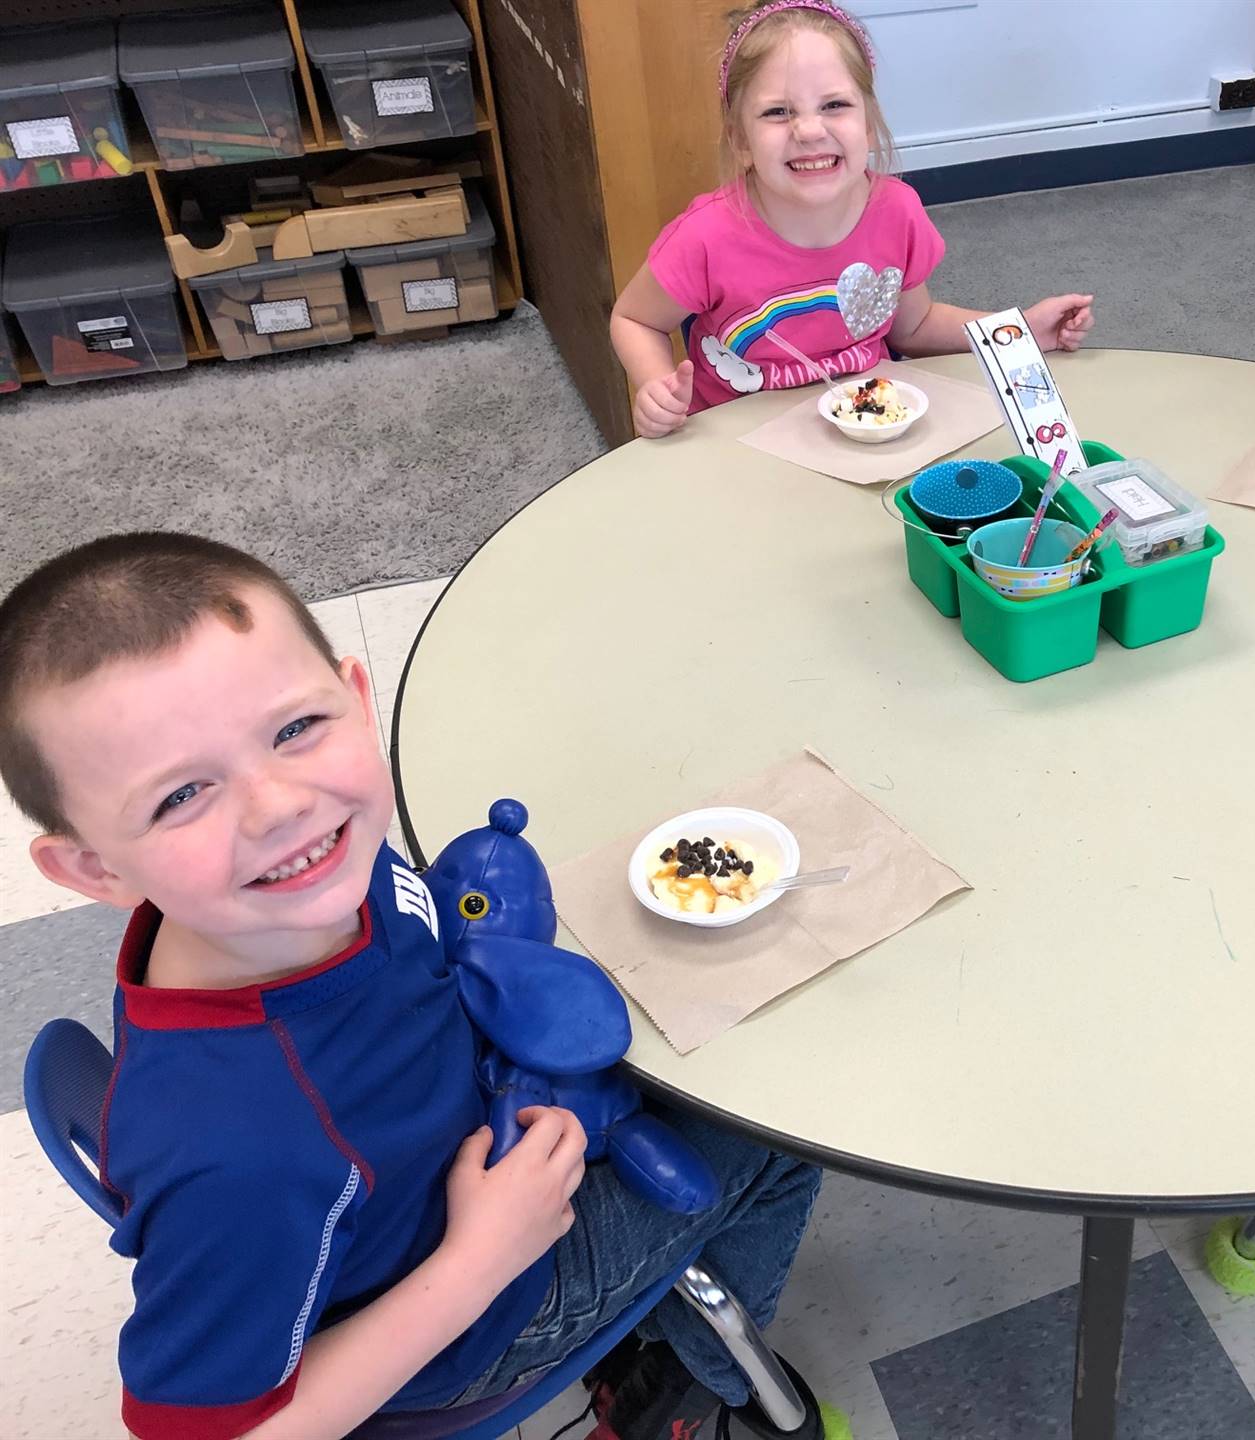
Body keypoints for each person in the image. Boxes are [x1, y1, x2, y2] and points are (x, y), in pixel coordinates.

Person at [0, 532, 822, 1439]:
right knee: (788, 1122)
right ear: (89, 868)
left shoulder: (314, 876)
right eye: (180, 796)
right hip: (478, 1311)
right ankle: (690, 1380)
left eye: (295, 729)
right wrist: (476, 1262)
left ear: (355, 700)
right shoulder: (242, 1152)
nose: (281, 806)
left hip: (475, 1133)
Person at [610, 0, 1094, 438]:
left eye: (834, 105)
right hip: (739, 441)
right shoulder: (705, 237)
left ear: (867, 120)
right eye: (778, 112)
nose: (808, 130)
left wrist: (1019, 329)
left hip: (865, 431)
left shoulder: (897, 212)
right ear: (739, 139)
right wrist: (655, 385)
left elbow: (914, 326)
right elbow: (634, 319)